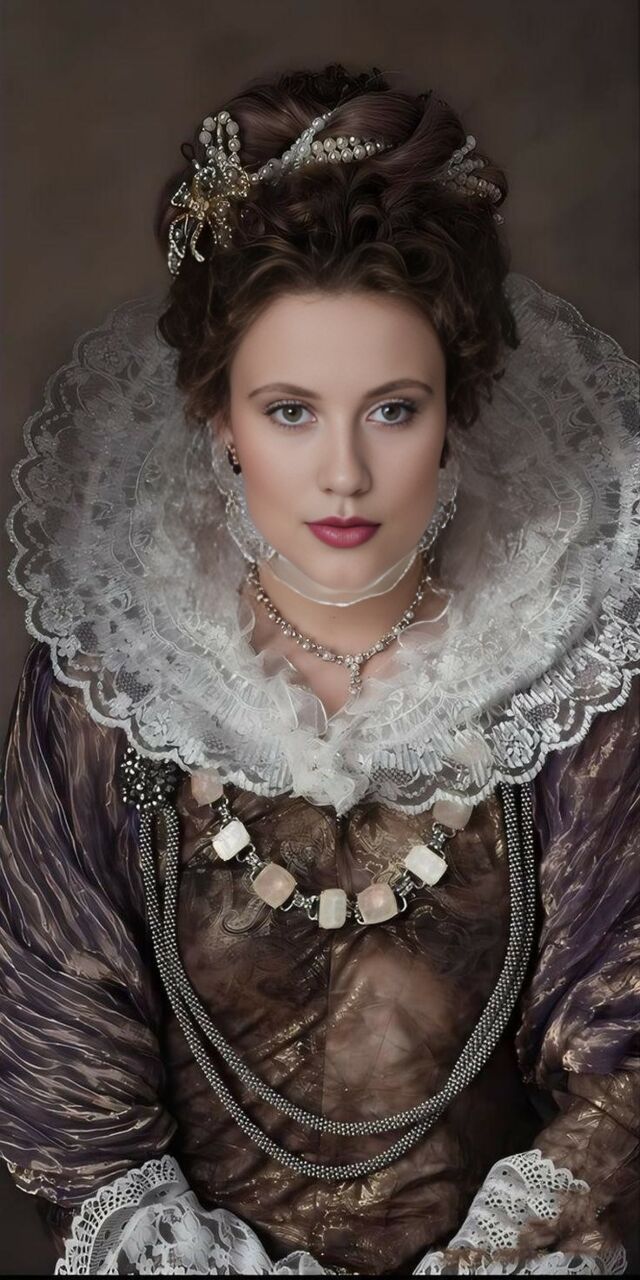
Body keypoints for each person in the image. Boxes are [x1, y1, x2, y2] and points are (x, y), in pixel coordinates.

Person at [0, 61, 638, 1277]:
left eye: (392, 408)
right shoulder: (120, 674)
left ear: (456, 407)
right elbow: (54, 1026)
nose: (343, 472)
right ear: (217, 415)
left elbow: (626, 1013)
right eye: (290, 409)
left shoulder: (561, 669)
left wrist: (524, 1228)